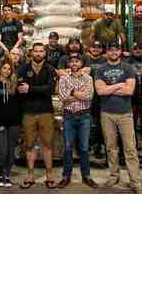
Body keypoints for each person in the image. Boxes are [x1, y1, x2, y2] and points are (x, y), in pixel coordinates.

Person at [94, 42, 142, 193]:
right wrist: (118, 85)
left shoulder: (128, 68)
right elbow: (100, 92)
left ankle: (135, 182)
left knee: (130, 149)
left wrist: (109, 88)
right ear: (107, 52)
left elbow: (129, 91)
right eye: (110, 50)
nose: (113, 52)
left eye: (116, 50)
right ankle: (114, 176)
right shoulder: (100, 69)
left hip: (125, 114)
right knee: (111, 148)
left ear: (120, 52)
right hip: (106, 114)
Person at [17, 43, 58, 189]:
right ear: (31, 53)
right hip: (28, 112)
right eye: (36, 51)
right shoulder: (23, 69)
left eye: (41, 51)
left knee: (47, 144)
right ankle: (30, 175)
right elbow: (21, 89)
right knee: (29, 145)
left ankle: (49, 175)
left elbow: (51, 89)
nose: (38, 53)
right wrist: (39, 89)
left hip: (46, 111)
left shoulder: (50, 69)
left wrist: (31, 89)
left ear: (44, 53)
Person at [57, 54, 97, 188]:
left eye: (77, 61)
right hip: (69, 116)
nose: (74, 63)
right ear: (69, 64)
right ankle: (66, 176)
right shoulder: (63, 78)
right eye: (72, 61)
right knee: (68, 147)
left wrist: (72, 92)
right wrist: (80, 94)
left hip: (84, 116)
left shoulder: (88, 78)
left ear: (81, 63)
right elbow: (62, 97)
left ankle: (86, 176)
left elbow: (89, 96)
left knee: (84, 148)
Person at [0, 58, 22, 188]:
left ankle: (7, 176)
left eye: (9, 69)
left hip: (14, 123)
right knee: (3, 150)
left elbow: (19, 104)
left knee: (11, 151)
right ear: (0, 69)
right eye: (4, 68)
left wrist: (19, 121)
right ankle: (0, 175)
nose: (7, 71)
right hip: (0, 123)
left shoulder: (14, 84)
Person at [126, 42, 142, 144]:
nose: (138, 50)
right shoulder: (127, 62)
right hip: (132, 97)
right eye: (135, 48)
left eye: (140, 48)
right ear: (131, 50)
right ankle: (134, 144)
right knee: (132, 123)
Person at [86, 41, 107, 159]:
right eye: (93, 47)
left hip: (101, 97)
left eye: (98, 47)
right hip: (87, 96)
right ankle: (88, 145)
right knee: (88, 122)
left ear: (101, 49)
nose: (96, 49)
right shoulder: (85, 59)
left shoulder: (105, 60)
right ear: (90, 48)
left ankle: (99, 146)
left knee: (100, 123)